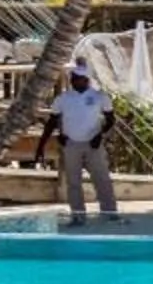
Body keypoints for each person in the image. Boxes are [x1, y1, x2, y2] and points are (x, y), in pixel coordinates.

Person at [50, 63, 119, 222]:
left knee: (102, 178)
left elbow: (110, 119)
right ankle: (78, 215)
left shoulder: (99, 97)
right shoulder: (63, 99)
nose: (75, 81)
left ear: (86, 80)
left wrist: (100, 136)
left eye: (79, 79)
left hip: (93, 143)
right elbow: (53, 120)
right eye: (73, 78)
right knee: (73, 182)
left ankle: (109, 213)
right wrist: (58, 135)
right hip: (71, 144)